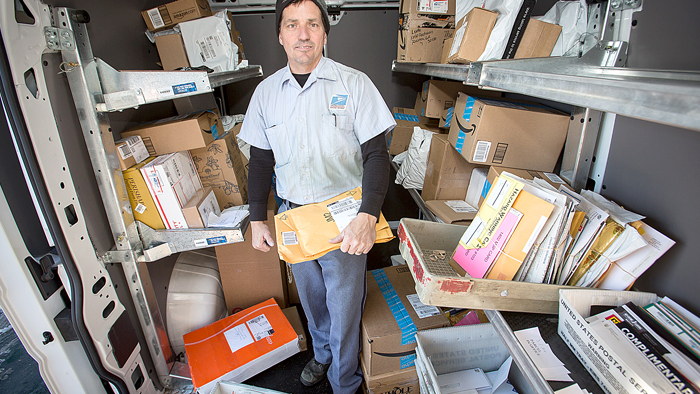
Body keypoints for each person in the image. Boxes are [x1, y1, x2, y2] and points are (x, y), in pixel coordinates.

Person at [237, 0, 395, 392]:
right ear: (280, 34)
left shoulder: (353, 84)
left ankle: (345, 381)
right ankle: (322, 355)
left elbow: (378, 155)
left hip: (343, 216)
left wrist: (367, 215)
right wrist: (258, 218)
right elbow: (259, 161)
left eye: (312, 24)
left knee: (343, 306)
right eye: (292, 25)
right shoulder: (266, 93)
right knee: (311, 300)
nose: (303, 34)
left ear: (325, 32)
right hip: (293, 216)